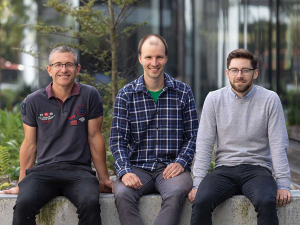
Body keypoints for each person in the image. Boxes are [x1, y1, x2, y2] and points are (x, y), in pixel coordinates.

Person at [0, 46, 113, 225]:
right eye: (58, 64)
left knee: (90, 203)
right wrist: (22, 183)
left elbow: (95, 137)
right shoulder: (33, 101)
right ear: (49, 69)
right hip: (43, 171)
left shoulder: (90, 95)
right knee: (23, 204)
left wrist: (104, 178)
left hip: (79, 171)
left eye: (69, 64)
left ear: (77, 69)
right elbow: (30, 144)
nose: (63, 69)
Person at [188, 49, 291, 225]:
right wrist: (198, 183)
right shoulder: (214, 99)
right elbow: (204, 143)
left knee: (266, 201)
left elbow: (278, 143)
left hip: (258, 169)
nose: (240, 75)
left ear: (255, 73)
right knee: (201, 201)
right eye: (234, 70)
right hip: (224, 169)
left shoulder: (270, 99)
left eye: (245, 70)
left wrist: (283, 184)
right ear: (227, 73)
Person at [110, 34, 199, 225]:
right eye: (149, 57)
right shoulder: (126, 95)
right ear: (140, 58)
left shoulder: (183, 92)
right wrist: (125, 172)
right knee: (122, 192)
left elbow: (192, 136)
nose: (154, 62)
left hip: (171, 168)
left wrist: (181, 162)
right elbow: (118, 140)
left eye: (159, 57)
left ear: (166, 58)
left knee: (176, 192)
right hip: (137, 167)